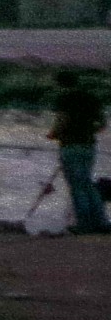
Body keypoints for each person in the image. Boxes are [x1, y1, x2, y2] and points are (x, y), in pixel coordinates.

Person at [48, 70, 107, 234]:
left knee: (76, 186)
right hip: (89, 146)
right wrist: (88, 130)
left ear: (60, 84)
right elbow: (102, 123)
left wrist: (53, 134)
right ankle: (101, 222)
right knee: (87, 184)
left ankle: (84, 224)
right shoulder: (90, 98)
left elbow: (62, 120)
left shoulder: (63, 99)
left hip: (70, 146)